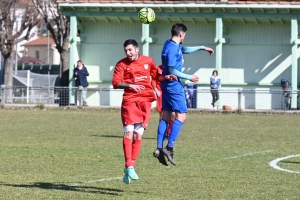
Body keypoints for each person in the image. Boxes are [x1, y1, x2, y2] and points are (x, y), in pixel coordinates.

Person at [112, 39, 175, 184]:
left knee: (138, 136)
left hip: (146, 102)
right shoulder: (121, 64)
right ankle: (129, 166)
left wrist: (166, 77)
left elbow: (155, 76)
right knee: (128, 132)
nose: (128, 53)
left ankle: (130, 167)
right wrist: (130, 85)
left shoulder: (148, 61)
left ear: (137, 49)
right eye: (126, 51)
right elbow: (116, 82)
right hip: (130, 100)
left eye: (130, 50)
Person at [155, 23, 214, 166]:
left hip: (168, 86)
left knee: (166, 116)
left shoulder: (171, 44)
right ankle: (169, 147)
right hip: (174, 86)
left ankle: (158, 148)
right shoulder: (171, 48)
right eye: (184, 35)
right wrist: (189, 76)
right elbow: (170, 68)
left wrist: (201, 48)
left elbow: (184, 50)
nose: (184, 38)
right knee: (181, 116)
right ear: (181, 34)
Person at [153, 65, 176, 166]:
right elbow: (154, 79)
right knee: (163, 116)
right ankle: (161, 145)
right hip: (162, 93)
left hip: (170, 93)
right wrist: (156, 90)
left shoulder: (173, 68)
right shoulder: (159, 68)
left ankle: (167, 135)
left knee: (173, 115)